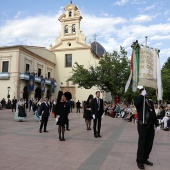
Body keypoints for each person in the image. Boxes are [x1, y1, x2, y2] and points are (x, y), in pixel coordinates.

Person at [134, 88, 159, 169]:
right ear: (140, 93)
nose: (146, 93)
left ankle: (145, 158)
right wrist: (141, 96)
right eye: (144, 92)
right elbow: (136, 103)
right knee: (142, 143)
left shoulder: (150, 101)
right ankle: (139, 161)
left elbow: (153, 113)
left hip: (150, 126)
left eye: (146, 92)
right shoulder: (139, 100)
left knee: (149, 144)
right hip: (143, 125)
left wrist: (157, 124)